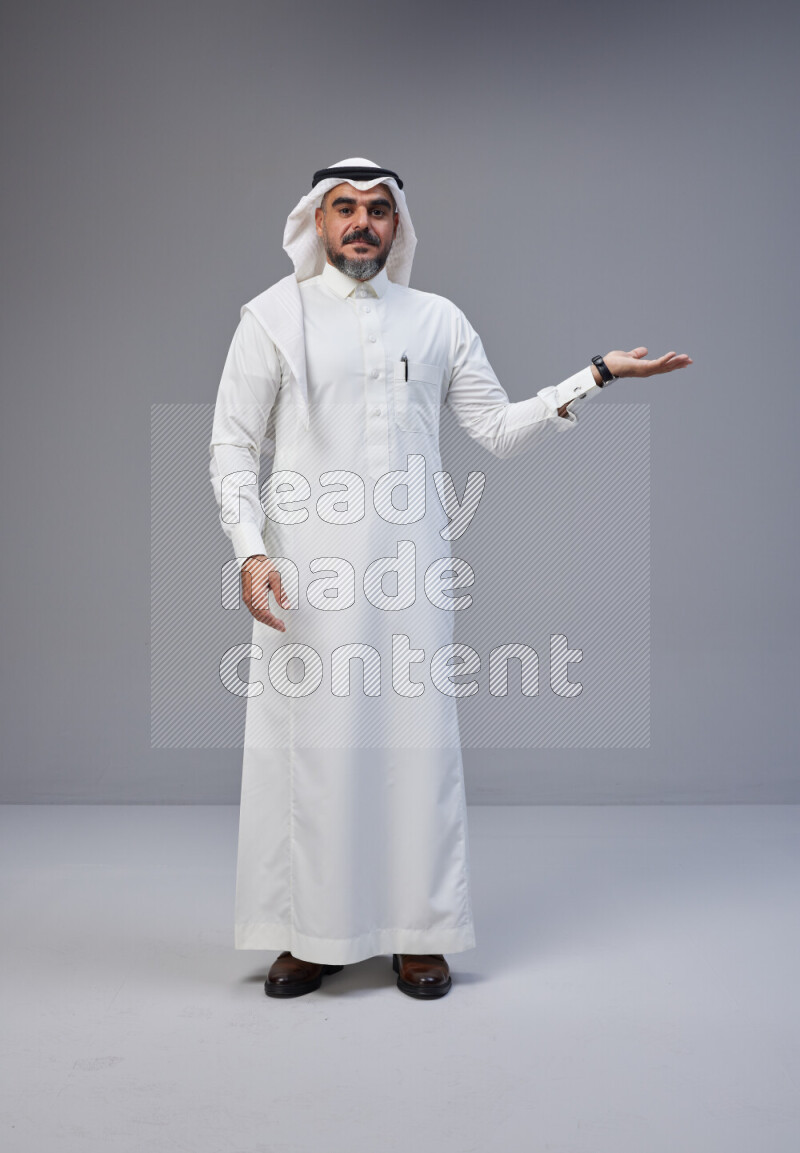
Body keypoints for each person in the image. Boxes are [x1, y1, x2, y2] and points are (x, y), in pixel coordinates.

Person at [209, 157, 692, 1000]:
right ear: (316, 224)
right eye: (345, 209)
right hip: (305, 582)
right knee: (315, 754)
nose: (363, 223)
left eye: (378, 211)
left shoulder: (437, 321)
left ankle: (419, 934)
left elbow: (498, 430)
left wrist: (598, 374)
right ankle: (312, 935)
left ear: (398, 227)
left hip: (411, 578)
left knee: (414, 751)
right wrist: (250, 550)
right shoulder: (271, 318)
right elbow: (231, 446)